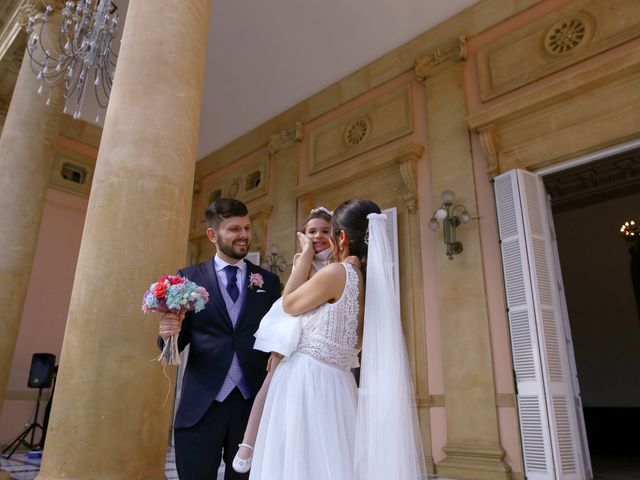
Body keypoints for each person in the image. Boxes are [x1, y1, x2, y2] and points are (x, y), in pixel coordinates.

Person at [248, 199, 426, 480]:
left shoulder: (337, 273)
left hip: (307, 380)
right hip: (340, 382)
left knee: (299, 463)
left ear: (341, 237)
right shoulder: (371, 282)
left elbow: (289, 304)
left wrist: (306, 253)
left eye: (330, 233)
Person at [158, 198, 280, 480]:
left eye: (247, 228)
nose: (244, 235)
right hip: (202, 405)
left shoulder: (269, 282)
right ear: (213, 235)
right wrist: (168, 334)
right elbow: (174, 348)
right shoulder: (187, 279)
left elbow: (276, 336)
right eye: (234, 229)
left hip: (251, 405)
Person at [232, 206, 334, 472]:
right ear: (303, 235)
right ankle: (249, 441)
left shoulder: (339, 263)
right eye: (312, 231)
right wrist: (306, 256)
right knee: (271, 378)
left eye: (325, 230)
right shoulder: (304, 260)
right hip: (293, 325)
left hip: (319, 332)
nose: (319, 236)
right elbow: (292, 299)